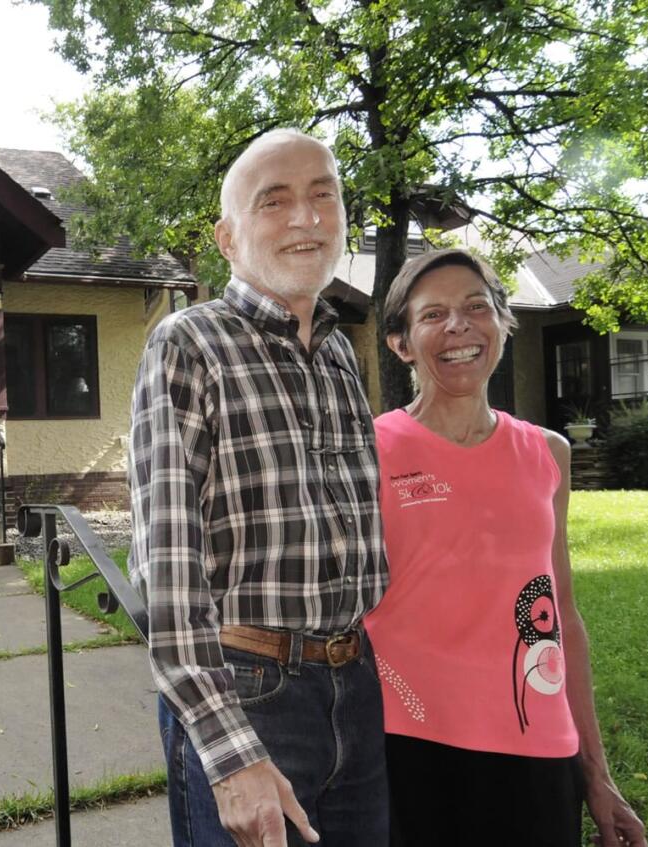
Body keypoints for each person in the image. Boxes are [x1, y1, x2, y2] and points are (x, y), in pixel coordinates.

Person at [128, 128, 389, 847]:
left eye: (323, 195)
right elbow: (166, 569)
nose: (306, 217)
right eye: (275, 201)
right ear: (227, 237)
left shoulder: (338, 353)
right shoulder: (188, 343)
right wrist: (229, 749)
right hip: (249, 691)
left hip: (356, 686)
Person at [364, 248, 648, 847]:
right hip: (407, 746)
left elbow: (561, 613)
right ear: (402, 344)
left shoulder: (549, 453)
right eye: (432, 314)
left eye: (476, 307)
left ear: (502, 322)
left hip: (537, 748)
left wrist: (596, 772)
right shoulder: (370, 452)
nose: (458, 327)